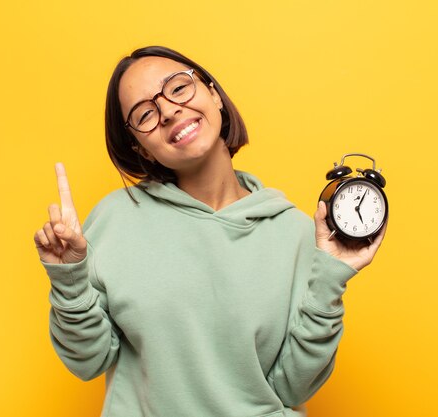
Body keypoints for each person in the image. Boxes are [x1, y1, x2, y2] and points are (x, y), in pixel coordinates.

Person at [33, 46, 387, 417]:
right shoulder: (114, 219)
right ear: (142, 149)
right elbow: (87, 362)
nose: (169, 110)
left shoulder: (296, 232)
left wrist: (331, 278)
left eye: (178, 88)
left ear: (214, 94)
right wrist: (68, 278)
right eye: (145, 114)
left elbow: (292, 386)